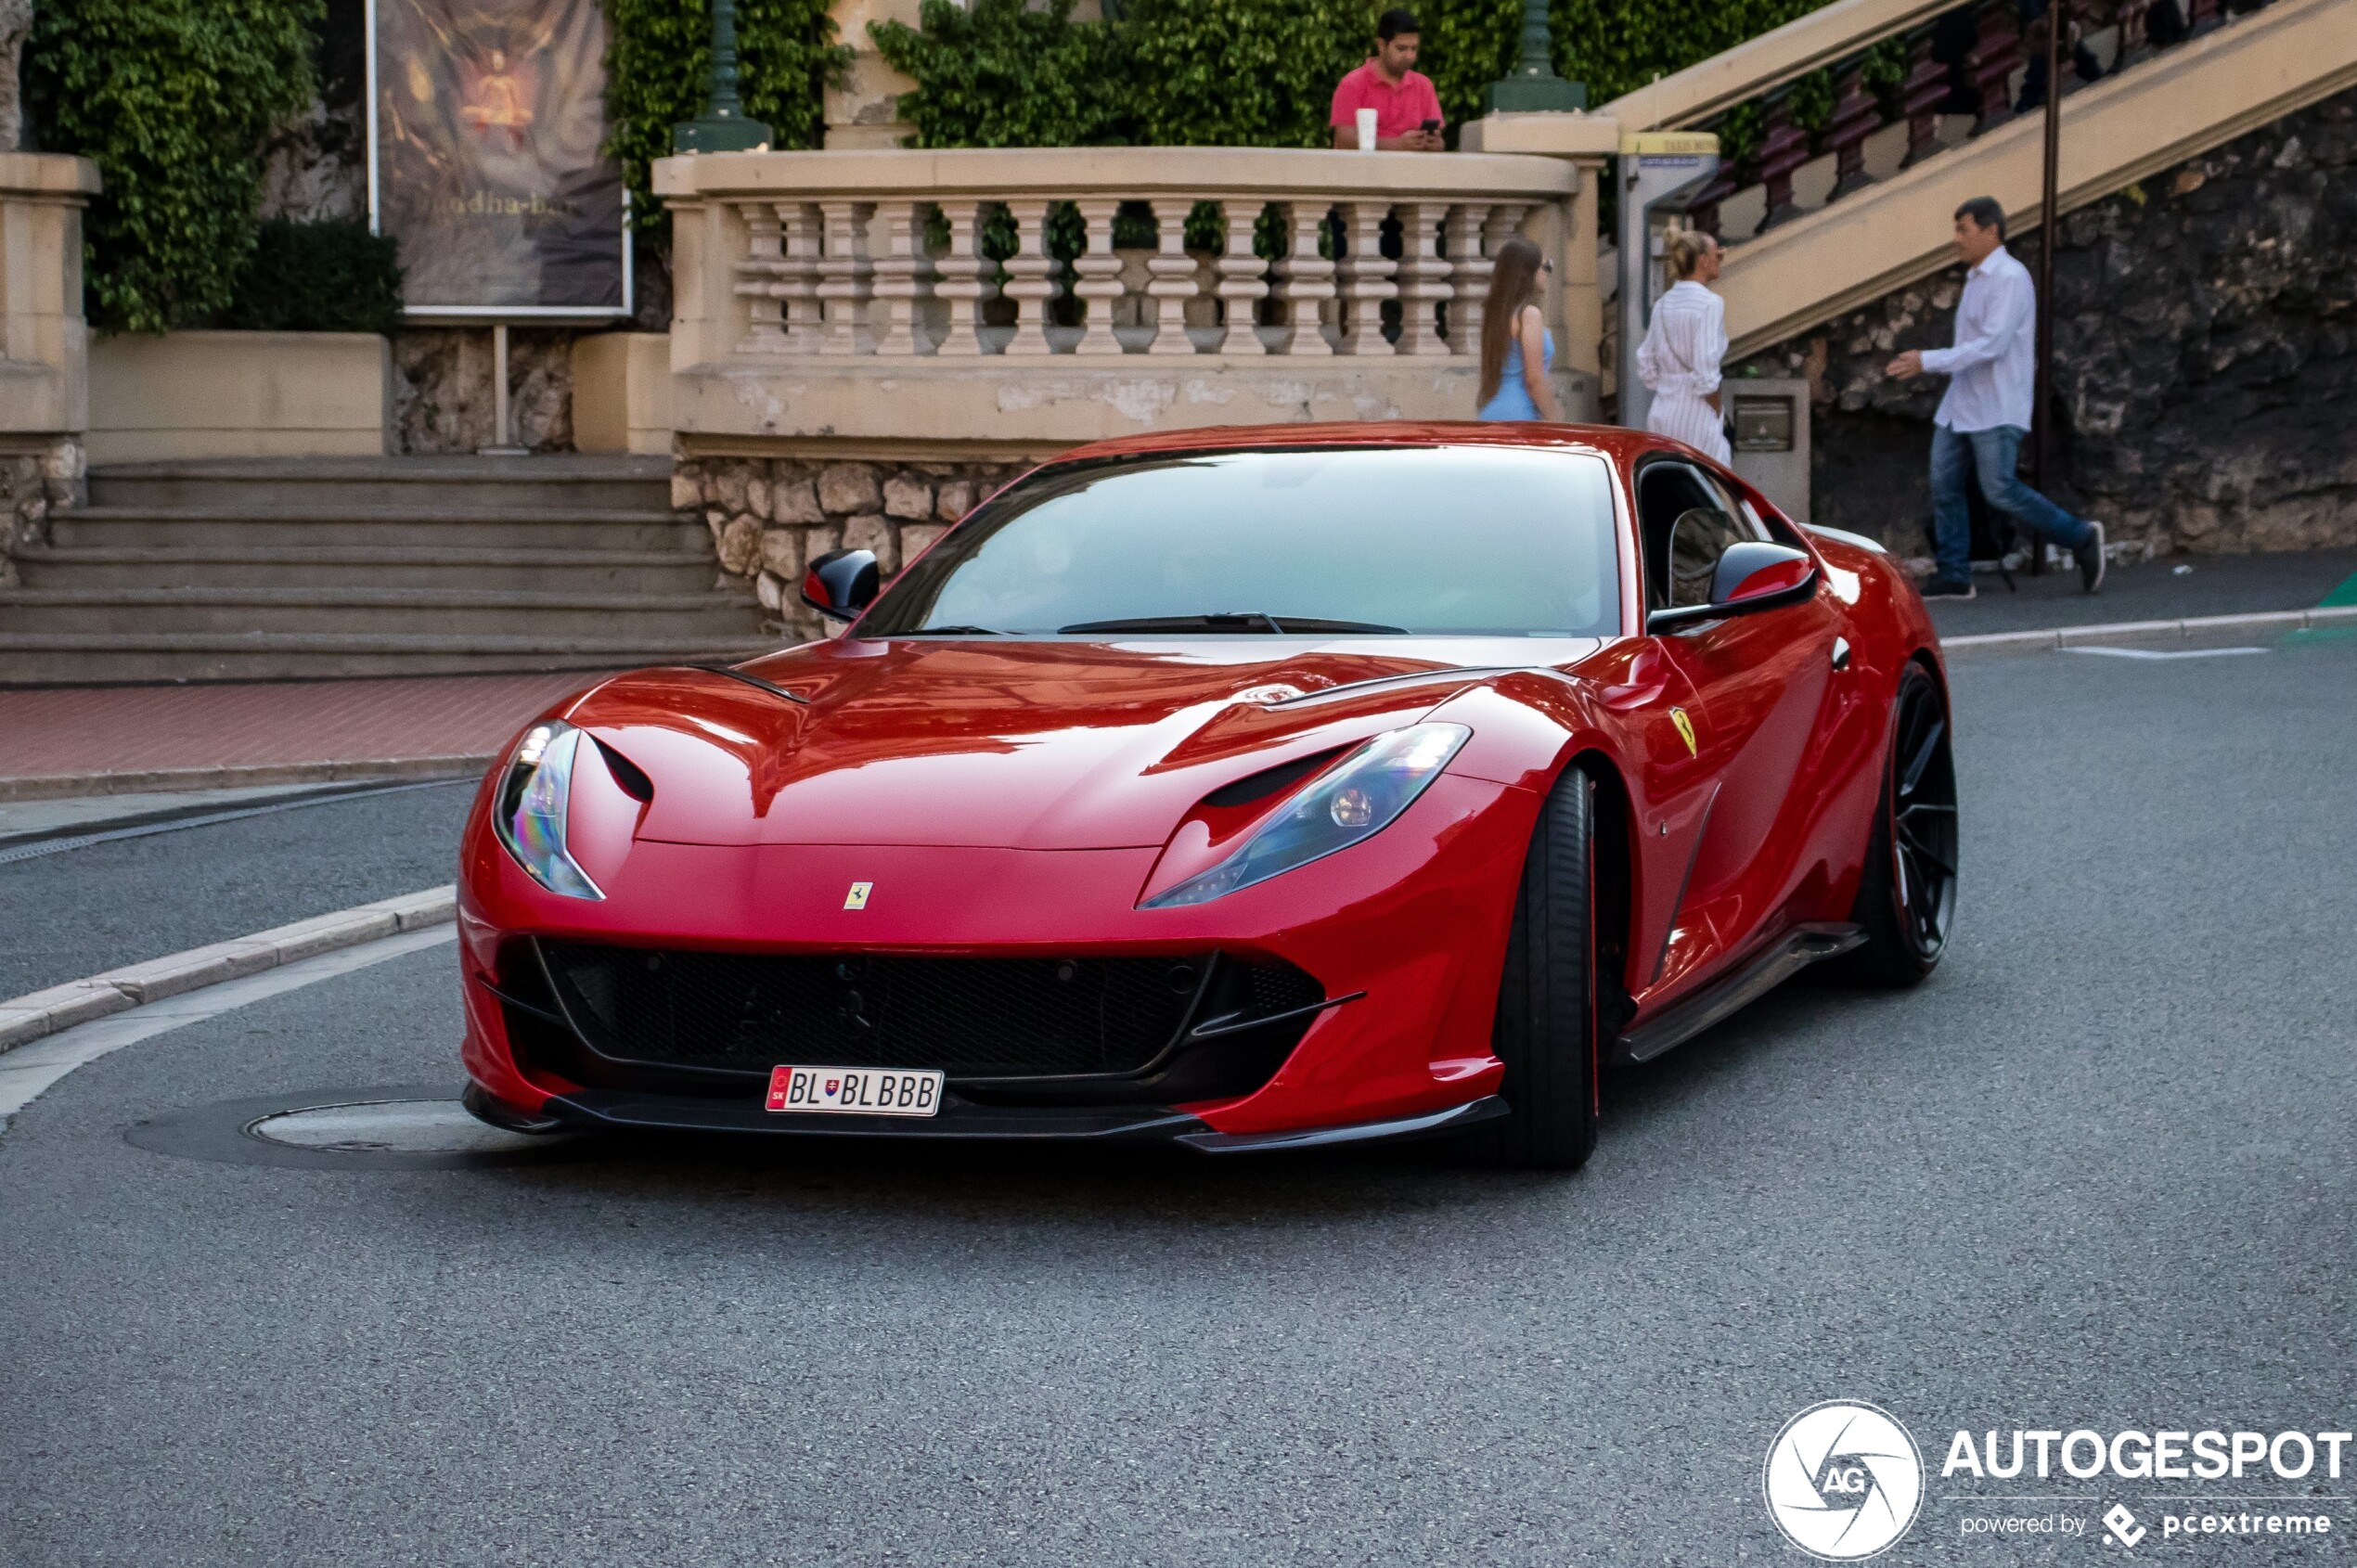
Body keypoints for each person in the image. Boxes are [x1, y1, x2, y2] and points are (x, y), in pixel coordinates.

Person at [1887, 196, 2107, 599]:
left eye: (1963, 230)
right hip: (1962, 403)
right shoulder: (1977, 278)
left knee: (2000, 489)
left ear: (1991, 231)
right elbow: (1976, 346)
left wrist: (1927, 360)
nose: (1956, 240)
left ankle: (2080, 537)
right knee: (1944, 484)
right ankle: (1954, 572)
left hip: (1997, 404)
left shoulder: (2009, 277)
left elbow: (1992, 345)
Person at [1634, 227, 1730, 462]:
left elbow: (1645, 360)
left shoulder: (1663, 304)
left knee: (1667, 484)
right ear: (1703, 261)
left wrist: (1670, 384)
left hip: (1662, 412)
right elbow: (1706, 373)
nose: (1721, 261)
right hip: (1697, 415)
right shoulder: (1710, 303)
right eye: (1718, 255)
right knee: (1708, 487)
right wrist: (1717, 410)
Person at [1330, 9, 1444, 151]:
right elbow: (1344, 141)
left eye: (1414, 49)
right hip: (1366, 170)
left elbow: (1439, 140)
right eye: (1401, 49)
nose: (1409, 56)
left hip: (1414, 170)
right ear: (1381, 45)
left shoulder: (1423, 85)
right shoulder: (1352, 84)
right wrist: (1397, 145)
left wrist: (1435, 143)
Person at [1476, 238, 1561, 422]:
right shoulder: (1529, 315)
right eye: (1545, 266)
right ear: (1528, 273)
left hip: (1492, 410)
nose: (1547, 273)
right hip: (1522, 414)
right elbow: (1534, 381)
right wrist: (1555, 419)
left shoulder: (1496, 315)